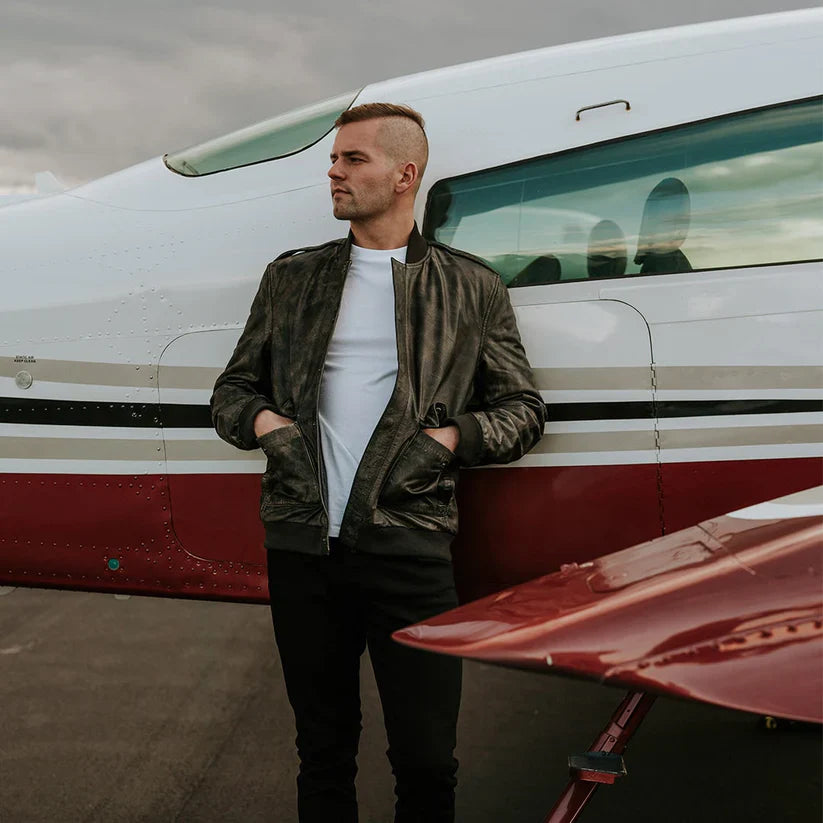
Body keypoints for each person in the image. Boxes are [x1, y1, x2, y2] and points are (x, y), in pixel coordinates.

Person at [210, 102, 546, 823]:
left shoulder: (469, 287)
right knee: (321, 750)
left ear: (405, 175)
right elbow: (232, 391)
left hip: (410, 548)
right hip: (303, 546)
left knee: (427, 760)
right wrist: (270, 426)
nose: (333, 171)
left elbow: (522, 408)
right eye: (333, 159)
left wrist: (444, 441)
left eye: (352, 159)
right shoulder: (292, 277)